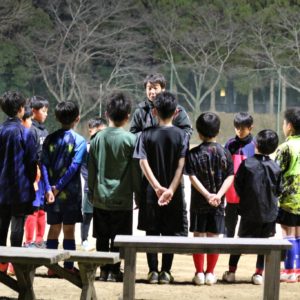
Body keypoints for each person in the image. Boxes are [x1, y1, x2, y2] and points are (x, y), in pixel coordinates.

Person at [133, 91, 189, 284]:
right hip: (174, 193)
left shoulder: (145, 134)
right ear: (176, 112)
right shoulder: (182, 135)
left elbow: (142, 162)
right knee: (170, 231)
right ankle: (166, 271)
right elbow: (181, 165)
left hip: (150, 192)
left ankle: (152, 271)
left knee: (152, 230)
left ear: (154, 111)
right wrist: (170, 189)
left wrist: (156, 187)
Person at [88, 92, 141, 282]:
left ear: (106, 113)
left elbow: (91, 169)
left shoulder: (97, 139)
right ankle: (115, 271)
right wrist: (138, 194)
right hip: (123, 199)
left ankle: (103, 271)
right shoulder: (131, 140)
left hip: (101, 198)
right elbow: (136, 171)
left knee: (102, 237)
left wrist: (91, 190)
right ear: (128, 116)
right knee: (120, 239)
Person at [223, 129, 281, 285]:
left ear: (255, 144)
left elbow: (238, 184)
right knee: (264, 243)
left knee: (240, 241)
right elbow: (279, 190)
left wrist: (246, 199)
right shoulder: (276, 167)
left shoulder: (246, 164)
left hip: (249, 212)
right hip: (269, 214)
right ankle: (258, 274)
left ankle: (231, 272)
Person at [184, 112, 234, 286]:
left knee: (199, 236)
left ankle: (199, 273)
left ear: (199, 133)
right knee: (214, 236)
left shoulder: (193, 154)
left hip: (199, 204)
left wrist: (206, 195)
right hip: (218, 205)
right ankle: (210, 273)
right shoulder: (225, 153)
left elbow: (191, 177)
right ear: (218, 131)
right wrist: (218, 195)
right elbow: (230, 176)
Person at [41, 101, 86, 274]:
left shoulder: (49, 138)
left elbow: (43, 164)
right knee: (69, 229)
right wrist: (58, 188)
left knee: (53, 227)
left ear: (57, 118)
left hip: (51, 193)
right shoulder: (80, 141)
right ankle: (68, 267)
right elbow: (74, 167)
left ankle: (51, 268)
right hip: (71, 193)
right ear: (77, 118)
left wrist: (48, 189)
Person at [0, 91, 37, 273]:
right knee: (17, 224)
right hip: (20, 188)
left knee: (1, 225)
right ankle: (15, 265)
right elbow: (31, 162)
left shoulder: (0, 130)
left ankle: (1, 265)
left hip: (1, 188)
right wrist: (31, 181)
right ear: (21, 109)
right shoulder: (26, 133)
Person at [275, 107, 300, 283]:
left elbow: (276, 173)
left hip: (289, 200)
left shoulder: (285, 147)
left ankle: (290, 270)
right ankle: (298, 270)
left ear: (289, 126)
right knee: (299, 234)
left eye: (284, 123)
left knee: (288, 233)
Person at [129, 73, 193, 137]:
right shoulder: (140, 111)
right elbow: (132, 135)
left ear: (163, 89)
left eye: (155, 88)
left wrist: (170, 138)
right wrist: (147, 136)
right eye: (149, 88)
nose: (152, 92)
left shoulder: (175, 109)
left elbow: (187, 131)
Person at [23, 96, 49, 249]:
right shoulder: (28, 129)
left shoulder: (44, 131)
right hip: (33, 175)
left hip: (44, 175)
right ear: (33, 111)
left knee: (41, 209)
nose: (46, 114)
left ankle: (39, 241)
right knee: (32, 209)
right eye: (43, 111)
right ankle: (28, 242)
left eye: (47, 111)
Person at [224, 112, 255, 238]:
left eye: (242, 128)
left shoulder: (255, 146)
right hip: (231, 192)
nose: (239, 131)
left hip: (248, 193)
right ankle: (227, 247)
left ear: (250, 128)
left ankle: (242, 248)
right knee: (229, 225)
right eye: (237, 128)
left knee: (246, 227)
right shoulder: (230, 144)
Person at [81, 117, 107, 251]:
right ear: (91, 131)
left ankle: (99, 243)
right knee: (87, 215)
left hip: (104, 189)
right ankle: (84, 240)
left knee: (101, 217)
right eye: (96, 132)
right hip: (89, 188)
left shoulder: (106, 146)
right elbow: (84, 168)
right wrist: (91, 182)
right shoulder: (87, 146)